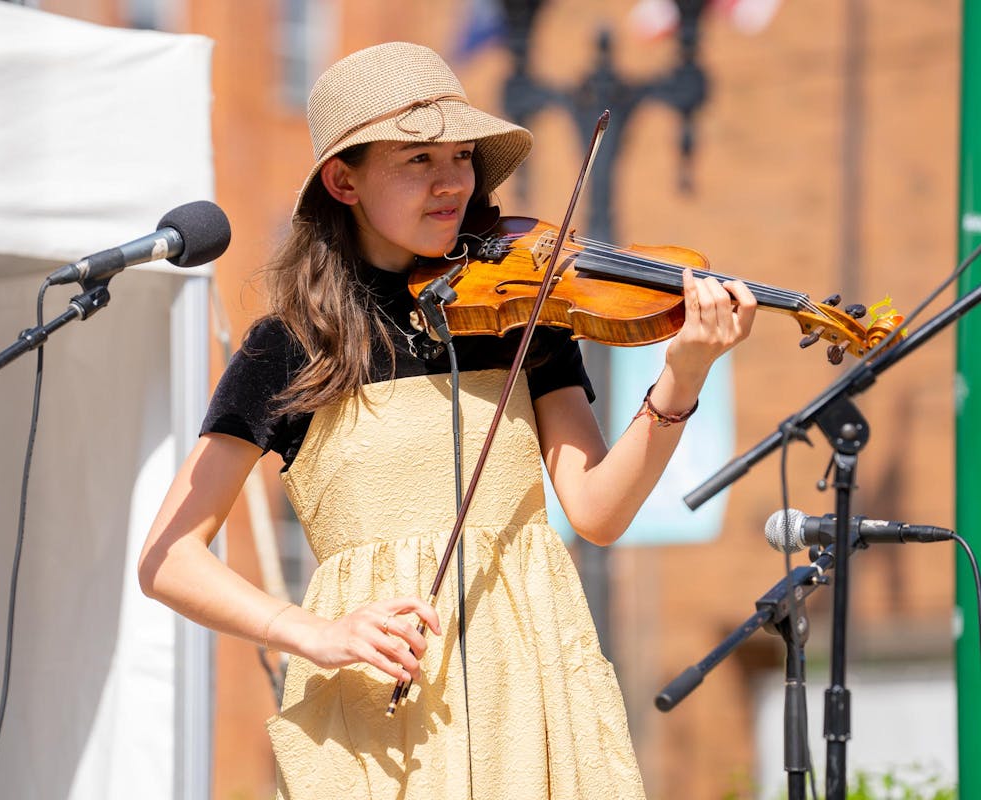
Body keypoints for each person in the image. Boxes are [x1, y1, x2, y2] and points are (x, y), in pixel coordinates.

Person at [138, 41, 756, 800]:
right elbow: (168, 559)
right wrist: (310, 631)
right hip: (383, 701)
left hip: (531, 683)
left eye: (461, 158)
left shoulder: (522, 316)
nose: (453, 184)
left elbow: (597, 510)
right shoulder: (292, 345)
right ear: (344, 180)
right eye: (418, 162)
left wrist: (683, 373)